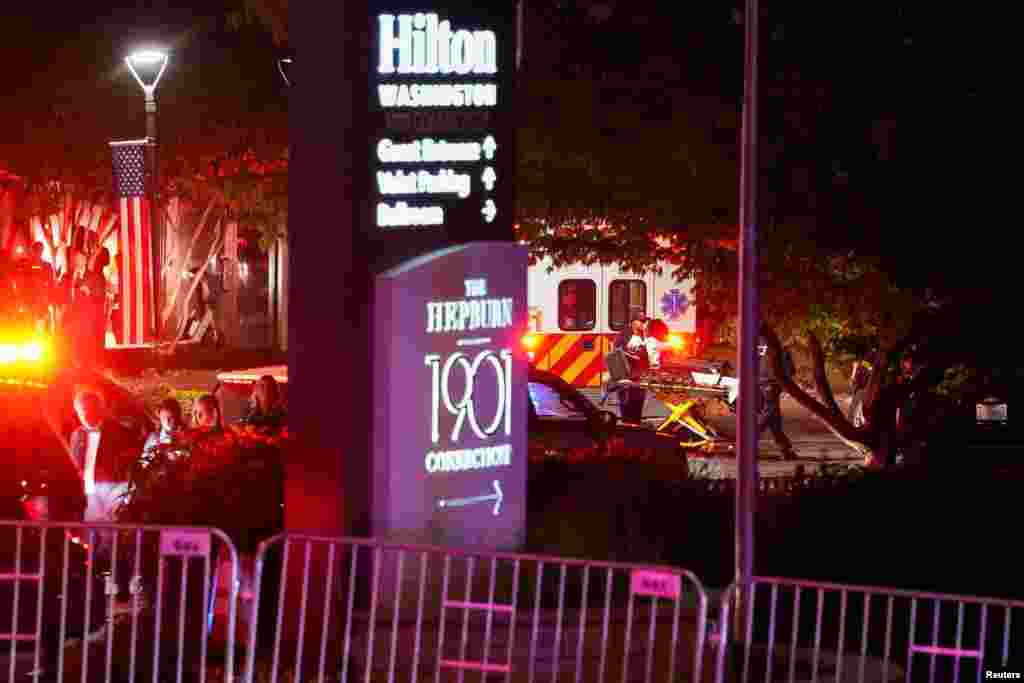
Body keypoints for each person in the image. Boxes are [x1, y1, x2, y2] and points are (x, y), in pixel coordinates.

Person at [758, 336, 798, 460]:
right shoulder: (780, 349)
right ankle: (748, 440)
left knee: (774, 416)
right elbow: (791, 370)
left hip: (760, 382)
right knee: (770, 412)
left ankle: (784, 448)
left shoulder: (759, 344)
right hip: (772, 383)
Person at [613, 307, 650, 423]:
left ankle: (635, 426)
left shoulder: (644, 335)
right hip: (627, 378)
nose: (643, 324)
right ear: (633, 322)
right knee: (627, 408)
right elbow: (618, 353)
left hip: (639, 377)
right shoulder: (624, 335)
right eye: (641, 321)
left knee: (637, 406)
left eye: (644, 321)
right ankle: (628, 428)